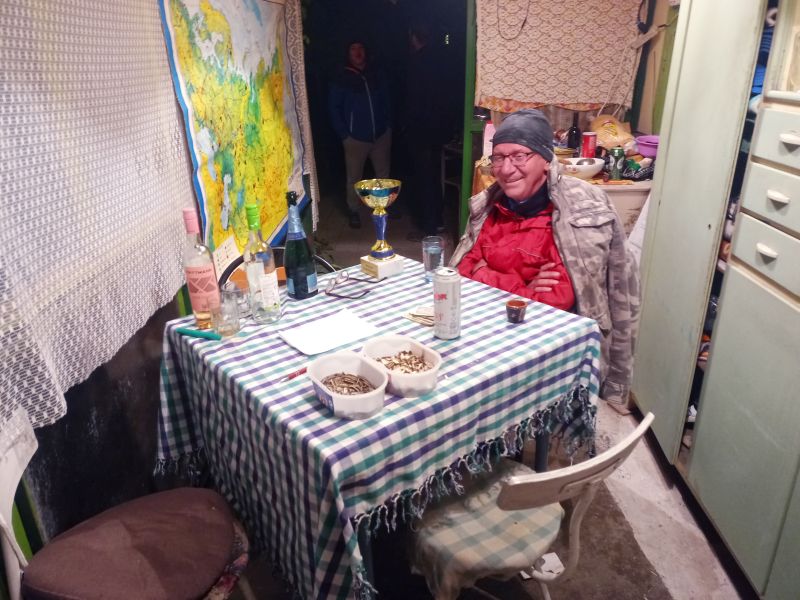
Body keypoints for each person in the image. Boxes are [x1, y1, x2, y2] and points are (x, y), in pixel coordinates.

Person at [450, 109, 640, 405]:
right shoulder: (489, 207)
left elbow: (555, 299)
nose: (506, 169)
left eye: (519, 156)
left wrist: (484, 273)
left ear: (546, 160)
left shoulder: (573, 213)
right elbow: (462, 271)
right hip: (490, 335)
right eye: (498, 157)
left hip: (548, 349)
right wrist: (524, 287)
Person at [328, 39, 392, 229]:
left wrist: (388, 125)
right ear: (347, 53)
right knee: (354, 178)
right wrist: (344, 134)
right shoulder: (342, 78)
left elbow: (388, 101)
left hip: (380, 135)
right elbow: (333, 107)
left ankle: (382, 207)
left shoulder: (376, 74)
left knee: (383, 175)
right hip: (355, 138)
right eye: (353, 48)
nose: (358, 52)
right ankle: (353, 210)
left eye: (361, 48)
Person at [402, 22, 454, 239]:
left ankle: (429, 227)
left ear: (413, 37)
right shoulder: (441, 62)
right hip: (438, 130)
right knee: (434, 175)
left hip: (421, 131)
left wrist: (407, 126)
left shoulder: (416, 63)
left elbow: (414, 101)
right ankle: (438, 220)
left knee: (424, 178)